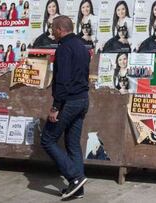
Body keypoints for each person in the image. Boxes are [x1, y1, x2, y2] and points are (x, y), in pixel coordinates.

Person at [40, 15, 90, 200]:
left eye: (53, 28)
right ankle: (78, 188)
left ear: (60, 29)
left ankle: (75, 178)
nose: (52, 31)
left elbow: (63, 81)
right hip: (83, 100)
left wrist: (55, 107)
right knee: (72, 144)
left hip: (68, 102)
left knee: (47, 139)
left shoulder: (64, 48)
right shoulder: (82, 47)